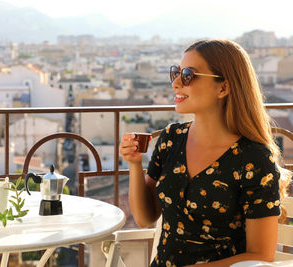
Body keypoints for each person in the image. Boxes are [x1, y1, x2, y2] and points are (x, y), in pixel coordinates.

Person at [119, 39, 291, 267]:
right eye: (176, 73)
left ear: (223, 87)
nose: (176, 83)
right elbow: (145, 218)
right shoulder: (171, 138)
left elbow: (260, 255)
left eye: (188, 75)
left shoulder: (253, 159)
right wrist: (134, 164)